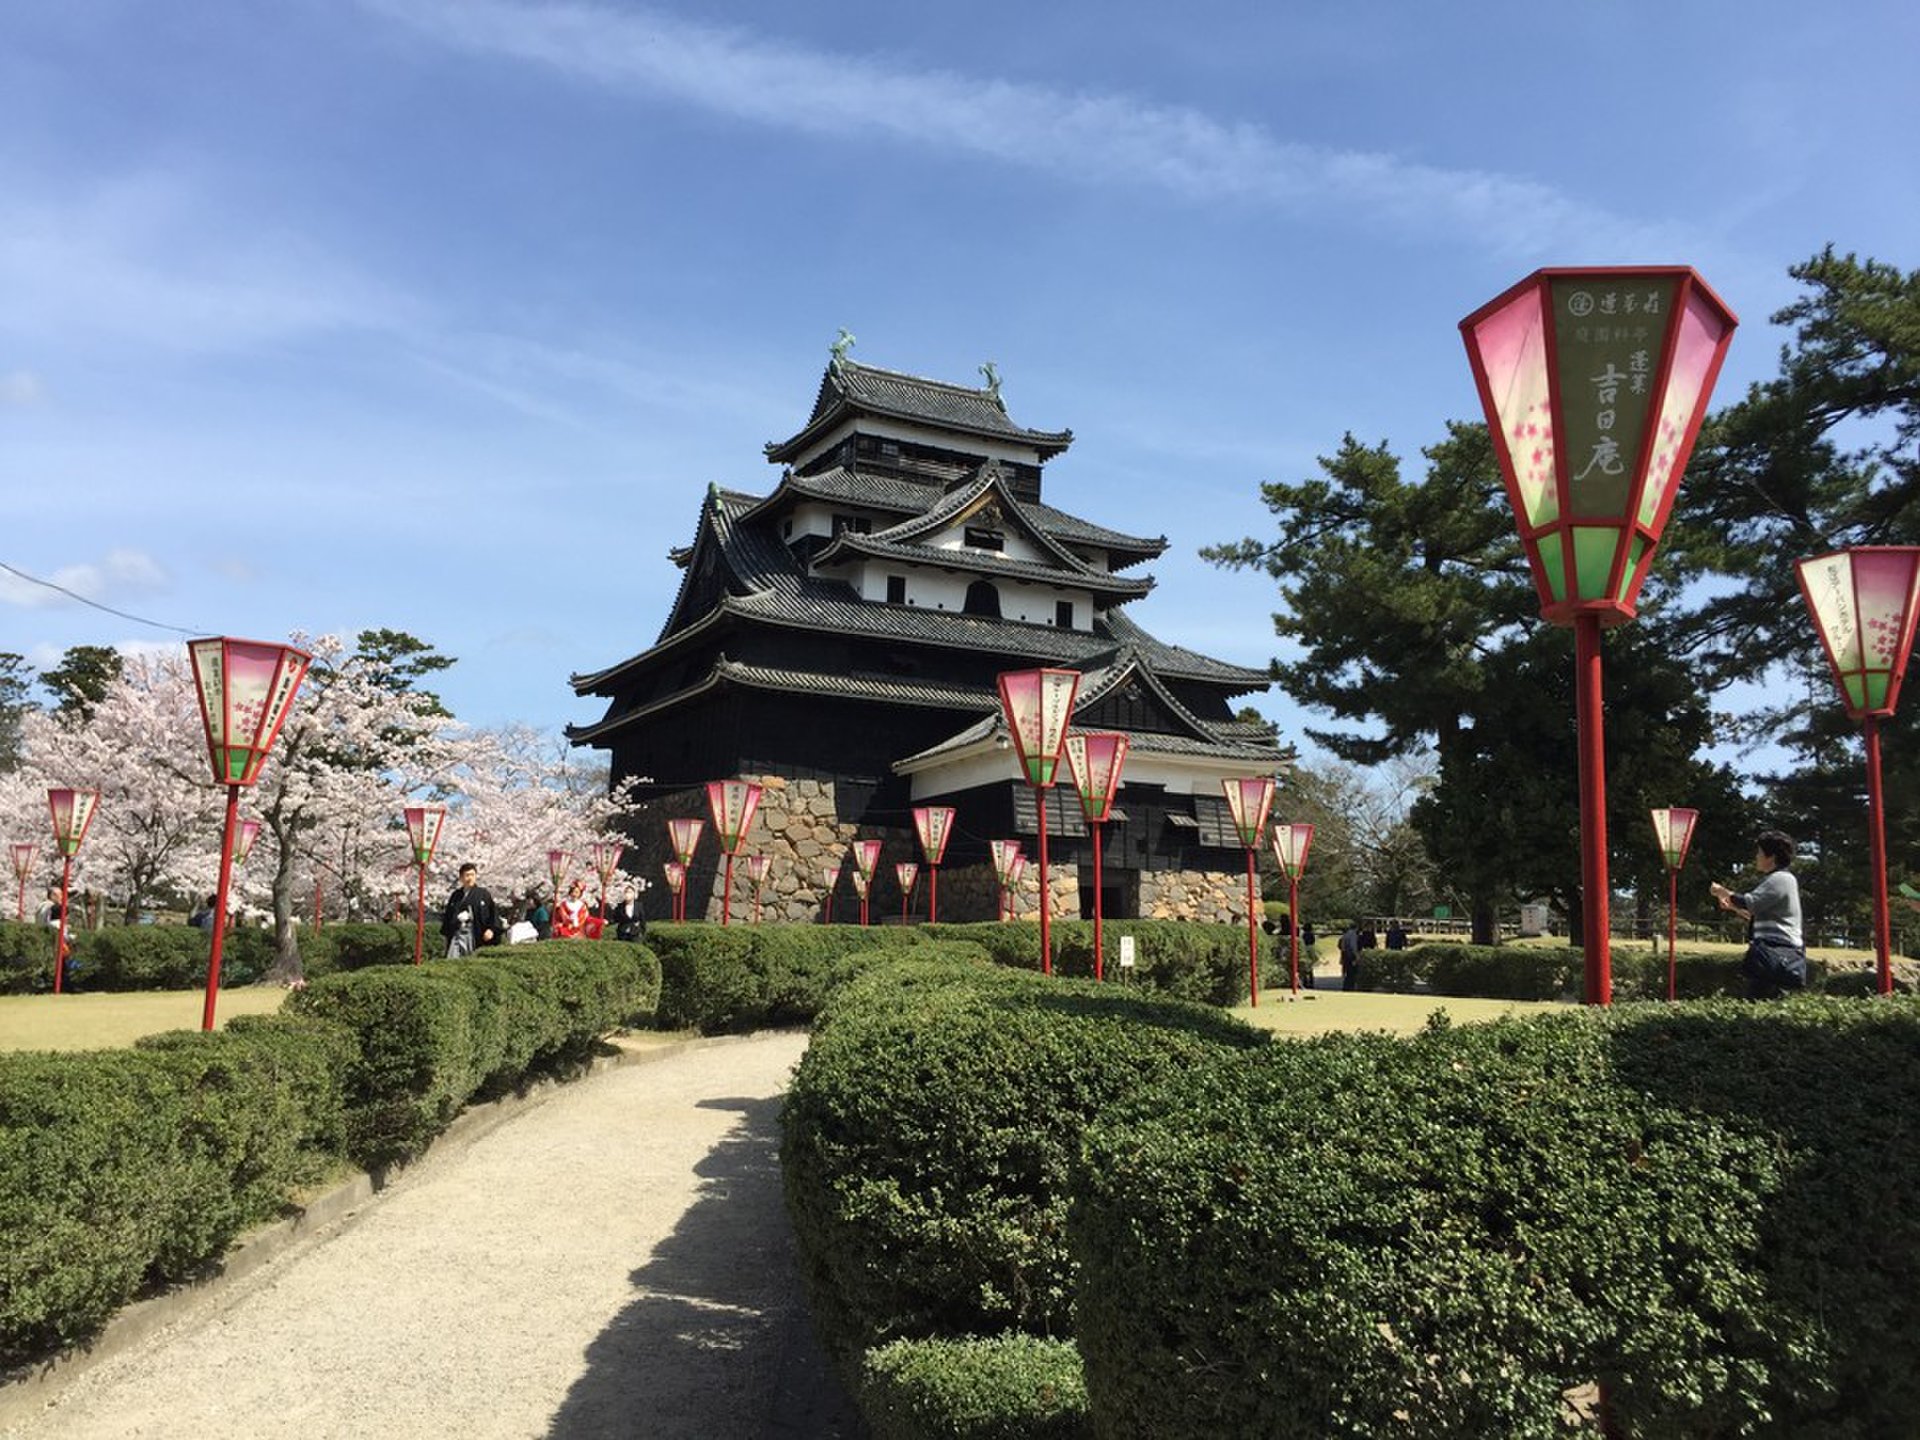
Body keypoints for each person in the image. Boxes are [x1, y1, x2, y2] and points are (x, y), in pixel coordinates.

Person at [1711, 829, 1807, 1000]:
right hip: (1776, 951)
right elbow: (1756, 912)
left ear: (1771, 857)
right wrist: (1732, 907)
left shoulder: (1780, 879)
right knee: (1762, 1000)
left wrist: (1723, 891)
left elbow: (1751, 902)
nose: (1757, 856)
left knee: (1756, 1000)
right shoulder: (1779, 879)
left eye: (1760, 852)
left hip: (1776, 951)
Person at [440, 863, 499, 958]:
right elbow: (448, 916)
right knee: (453, 959)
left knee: (472, 959)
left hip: (476, 933)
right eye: (467, 875)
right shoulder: (456, 895)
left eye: (472, 875)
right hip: (458, 932)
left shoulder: (483, 894)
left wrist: (491, 929)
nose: (470, 878)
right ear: (461, 878)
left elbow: (493, 913)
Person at [1338, 923, 1362, 991]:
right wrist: (1357, 956)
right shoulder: (1353, 935)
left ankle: (1346, 986)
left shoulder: (1345, 935)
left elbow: (1342, 946)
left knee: (1347, 972)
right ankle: (1350, 987)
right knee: (1352, 973)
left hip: (1345, 955)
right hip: (1351, 956)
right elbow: (1353, 946)